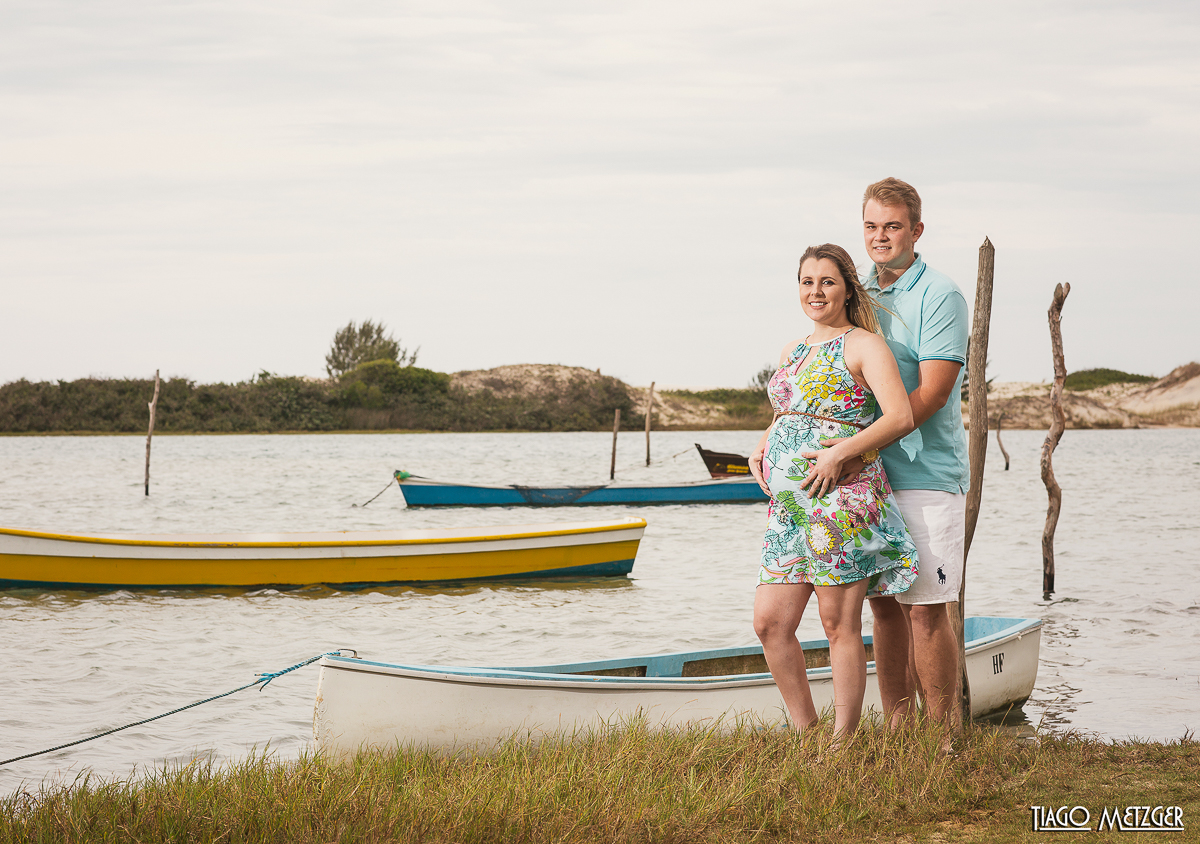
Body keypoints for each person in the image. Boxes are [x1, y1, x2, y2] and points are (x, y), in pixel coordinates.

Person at [810, 178, 971, 729]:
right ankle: (901, 729)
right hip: (869, 480)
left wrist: (856, 450)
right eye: (872, 226)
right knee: (883, 609)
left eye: (893, 226)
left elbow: (932, 393)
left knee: (926, 609)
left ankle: (943, 735)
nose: (880, 237)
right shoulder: (861, 296)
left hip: (925, 473)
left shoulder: (940, 294)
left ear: (916, 230)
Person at [747, 243, 919, 742]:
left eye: (826, 282)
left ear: (847, 288)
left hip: (841, 503)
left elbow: (900, 417)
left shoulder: (864, 345)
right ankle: (807, 733)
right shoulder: (792, 351)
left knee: (836, 622)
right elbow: (786, 412)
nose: (815, 291)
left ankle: (844, 742)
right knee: (769, 623)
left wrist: (841, 453)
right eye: (806, 282)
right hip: (791, 510)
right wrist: (762, 447)